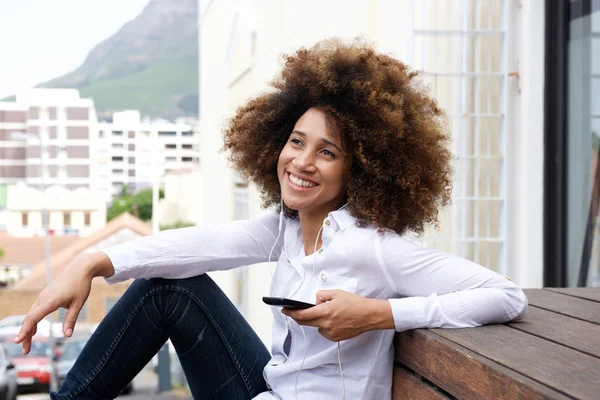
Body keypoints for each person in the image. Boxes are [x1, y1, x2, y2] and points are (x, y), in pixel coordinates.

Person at [14, 38, 528, 400]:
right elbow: (191, 246)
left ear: (361, 170)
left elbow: (505, 295)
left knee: (168, 290)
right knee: (167, 285)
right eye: (296, 142)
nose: (302, 162)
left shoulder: (373, 248)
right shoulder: (283, 227)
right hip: (268, 390)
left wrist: (378, 315)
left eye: (327, 152)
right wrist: (94, 260)